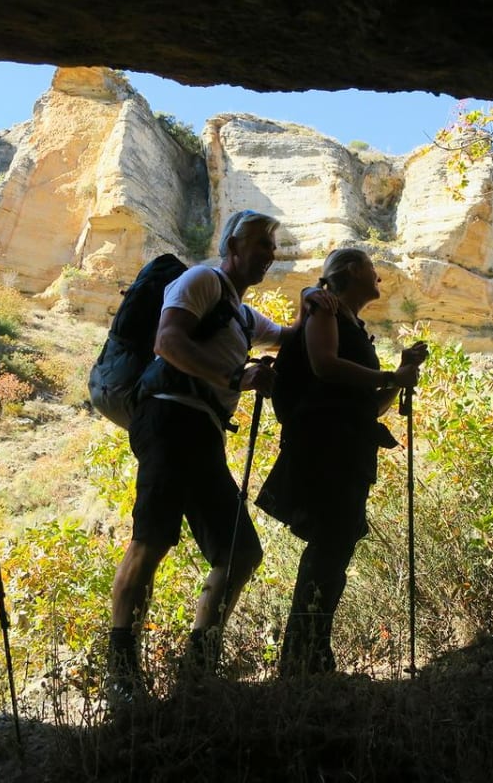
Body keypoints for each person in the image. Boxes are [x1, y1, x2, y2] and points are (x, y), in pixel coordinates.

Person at [107, 209, 335, 699]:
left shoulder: (240, 313)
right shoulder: (200, 281)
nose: (268, 254)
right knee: (152, 538)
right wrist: (237, 376)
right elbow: (167, 341)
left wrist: (310, 304)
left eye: (272, 247)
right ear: (232, 245)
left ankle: (198, 671)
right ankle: (122, 677)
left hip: (203, 432)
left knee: (239, 552)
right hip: (168, 417)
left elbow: (290, 337)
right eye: (258, 244)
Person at [254, 247, 427, 675]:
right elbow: (325, 366)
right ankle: (304, 660)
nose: (379, 281)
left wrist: (399, 375)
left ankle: (309, 656)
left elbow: (367, 406)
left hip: (345, 448)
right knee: (331, 543)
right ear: (351, 272)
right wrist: (390, 377)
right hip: (325, 447)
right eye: (373, 271)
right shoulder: (323, 309)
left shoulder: (347, 322)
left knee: (335, 544)